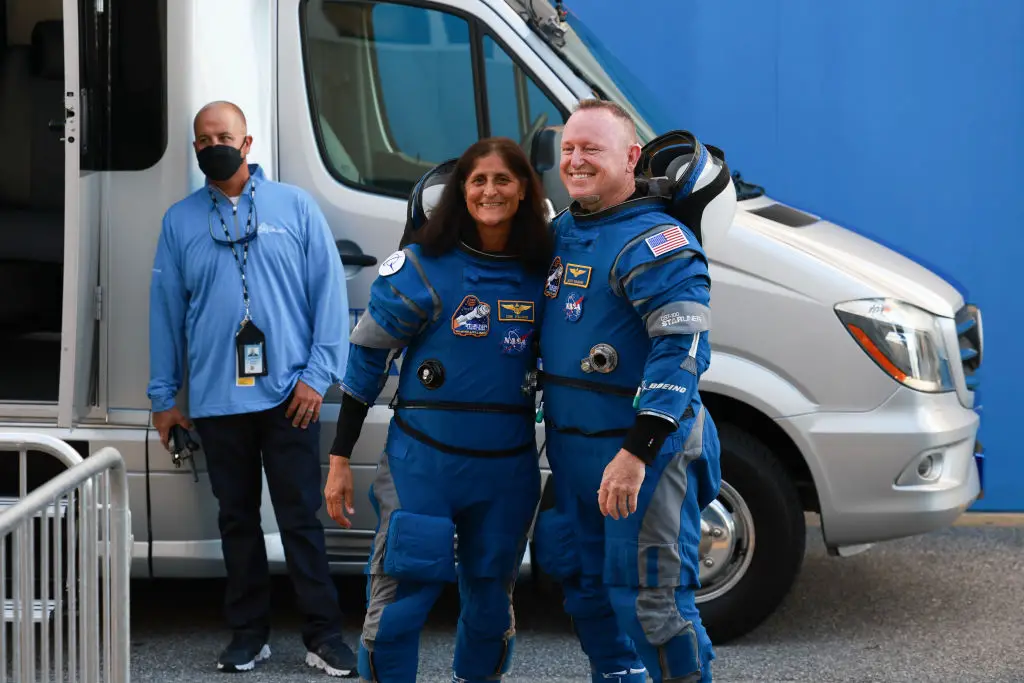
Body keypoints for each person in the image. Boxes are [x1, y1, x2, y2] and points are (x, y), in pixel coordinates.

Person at [322, 137, 552, 683]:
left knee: (491, 603)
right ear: (459, 192)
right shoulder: (420, 269)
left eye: (503, 180)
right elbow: (365, 366)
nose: (490, 191)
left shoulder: (546, 273)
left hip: (507, 470)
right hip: (424, 465)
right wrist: (339, 458)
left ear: (524, 190)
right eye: (478, 180)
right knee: (404, 596)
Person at [147, 100, 358, 676]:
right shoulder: (180, 221)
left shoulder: (296, 207)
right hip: (217, 399)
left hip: (291, 396)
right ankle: (248, 634)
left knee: (300, 520)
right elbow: (165, 313)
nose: (213, 145)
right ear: (195, 148)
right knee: (236, 521)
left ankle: (323, 635)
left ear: (247, 143)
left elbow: (329, 296)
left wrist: (317, 377)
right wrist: (164, 399)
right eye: (203, 139)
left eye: (224, 136)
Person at [532, 98, 730, 683]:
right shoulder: (561, 232)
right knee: (584, 587)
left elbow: (682, 351)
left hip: (643, 455)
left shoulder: (657, 243)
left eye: (591, 148)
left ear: (631, 157)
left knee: (652, 604)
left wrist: (636, 452)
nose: (576, 160)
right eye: (569, 148)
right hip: (573, 453)